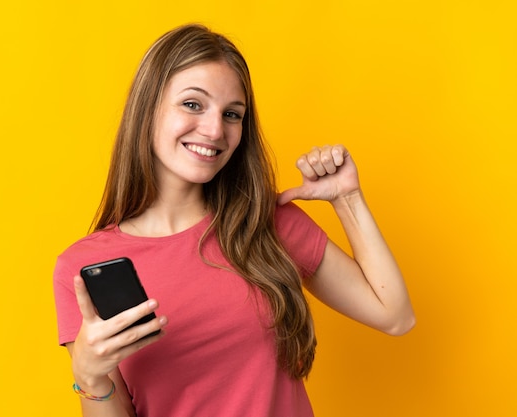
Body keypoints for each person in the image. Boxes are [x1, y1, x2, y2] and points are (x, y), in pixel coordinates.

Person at [53, 23, 415, 417]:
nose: (214, 130)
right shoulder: (82, 267)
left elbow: (395, 316)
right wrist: (91, 379)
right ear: (148, 108)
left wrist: (348, 198)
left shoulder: (266, 224)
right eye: (193, 104)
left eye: (232, 114)